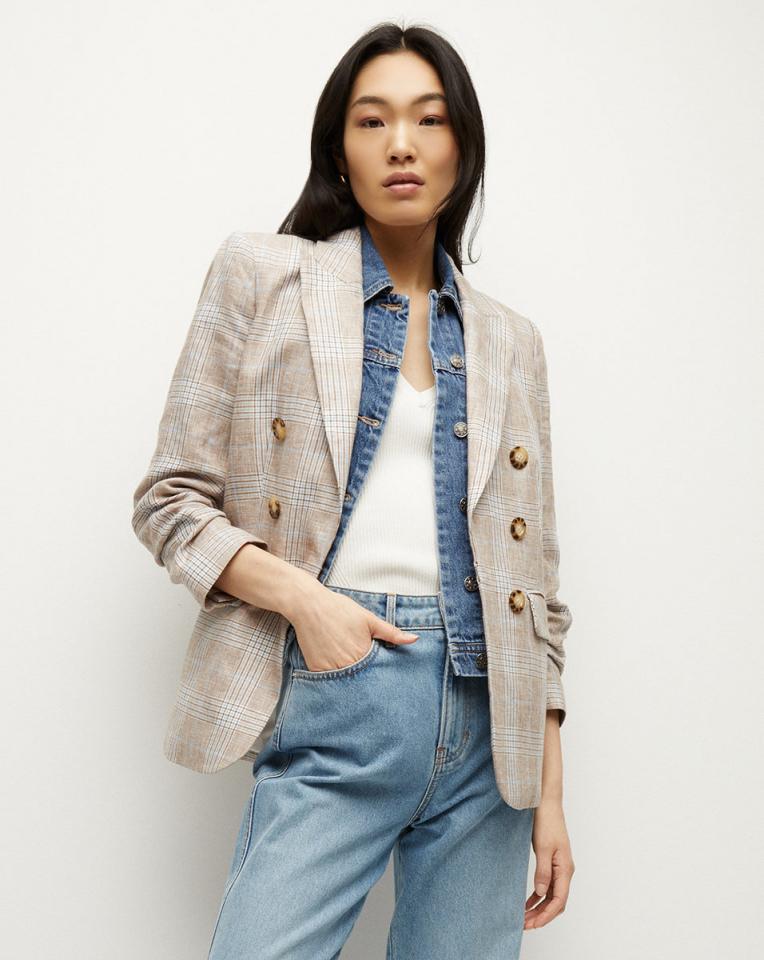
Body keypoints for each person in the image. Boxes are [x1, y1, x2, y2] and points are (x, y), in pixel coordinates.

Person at [132, 20, 575, 960]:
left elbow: (534, 589)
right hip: (342, 691)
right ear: (340, 148)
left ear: (463, 145)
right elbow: (170, 499)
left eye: (429, 119)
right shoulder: (265, 277)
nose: (401, 144)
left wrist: (549, 794)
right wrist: (308, 604)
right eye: (372, 121)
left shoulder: (512, 341)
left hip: (491, 728)